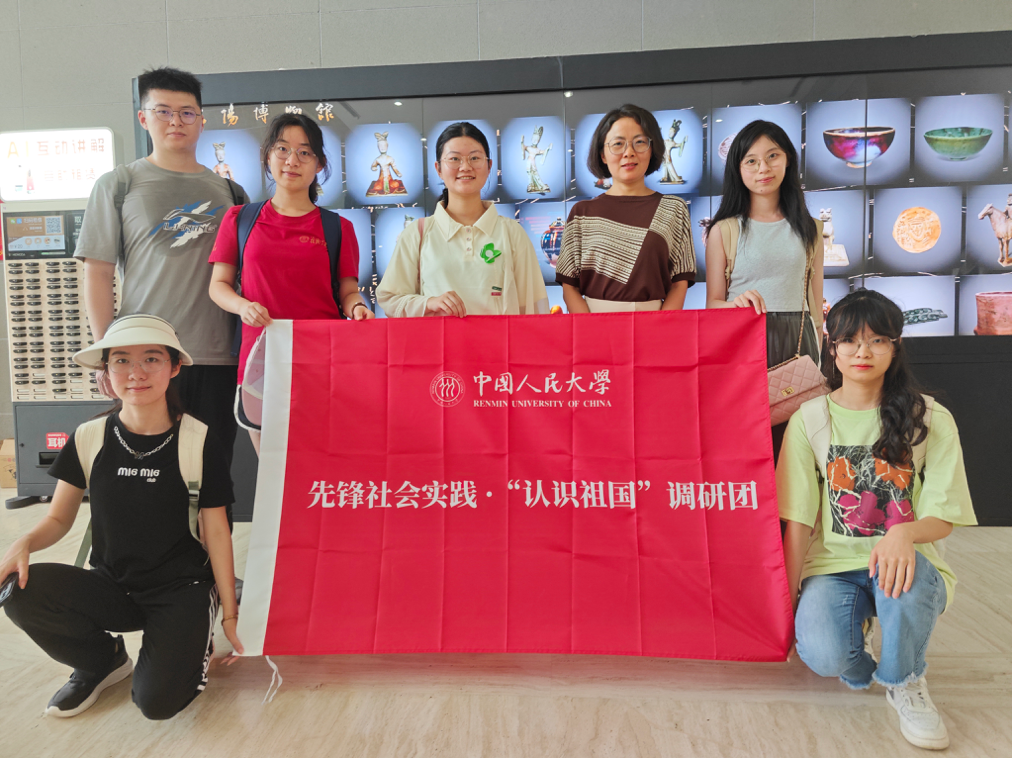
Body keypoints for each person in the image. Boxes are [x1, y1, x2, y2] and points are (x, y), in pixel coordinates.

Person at [1, 315, 241, 720]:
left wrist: (230, 615)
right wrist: (23, 543)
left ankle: (195, 630)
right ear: (106, 371)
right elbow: (58, 519)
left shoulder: (198, 440)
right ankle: (101, 662)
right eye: (121, 361)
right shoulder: (89, 436)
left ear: (174, 367)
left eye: (152, 359)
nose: (136, 373)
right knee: (20, 590)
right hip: (112, 585)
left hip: (180, 588)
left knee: (157, 703)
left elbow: (216, 532)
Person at [777, 290, 976, 751]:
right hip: (832, 568)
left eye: (877, 340)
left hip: (907, 565)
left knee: (903, 583)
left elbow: (943, 515)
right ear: (832, 347)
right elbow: (799, 522)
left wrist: (904, 533)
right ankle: (865, 649)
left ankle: (906, 680)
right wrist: (786, 608)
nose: (862, 352)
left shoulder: (929, 417)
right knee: (825, 656)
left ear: (895, 345)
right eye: (850, 340)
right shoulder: (810, 419)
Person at [76, 66, 247, 494]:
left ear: (201, 120)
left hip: (217, 358)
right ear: (143, 118)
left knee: (213, 481)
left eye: (187, 112)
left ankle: (212, 544)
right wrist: (105, 353)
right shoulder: (119, 184)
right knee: (147, 482)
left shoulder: (232, 193)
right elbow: (97, 272)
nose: (176, 121)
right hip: (146, 358)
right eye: (163, 111)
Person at [209, 113, 370, 454]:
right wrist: (242, 306)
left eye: (304, 152)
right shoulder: (240, 219)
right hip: (260, 362)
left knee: (320, 467)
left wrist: (357, 307)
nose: (292, 160)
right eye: (282, 149)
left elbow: (348, 291)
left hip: (322, 360)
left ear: (319, 164)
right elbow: (218, 286)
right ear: (267, 156)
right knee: (272, 469)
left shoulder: (338, 228)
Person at [704, 120, 823, 457]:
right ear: (738, 169)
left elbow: (815, 304)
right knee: (745, 444)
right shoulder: (724, 230)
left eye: (772, 156)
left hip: (798, 340)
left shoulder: (811, 228)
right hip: (745, 340)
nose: (763, 169)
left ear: (788, 160)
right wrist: (736, 304)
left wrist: (820, 352)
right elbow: (712, 304)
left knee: (798, 447)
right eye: (751, 161)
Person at [377, 122, 548, 318]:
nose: (465, 167)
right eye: (454, 159)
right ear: (438, 168)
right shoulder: (418, 233)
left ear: (489, 166)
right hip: (438, 339)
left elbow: (533, 311)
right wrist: (429, 303)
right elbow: (390, 299)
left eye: (474, 158)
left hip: (498, 339)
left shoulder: (511, 233)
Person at [555, 104, 695, 313]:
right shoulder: (582, 213)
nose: (629, 153)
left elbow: (679, 282)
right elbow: (570, 286)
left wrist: (663, 326)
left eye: (639, 142)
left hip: (655, 324)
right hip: (594, 324)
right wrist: (588, 327)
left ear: (652, 149)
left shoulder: (673, 209)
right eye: (618, 144)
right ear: (603, 154)